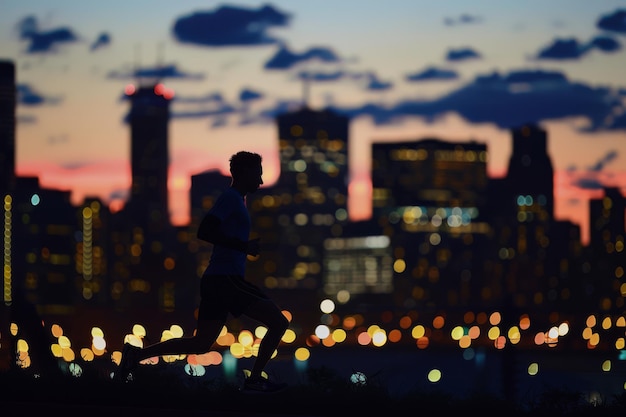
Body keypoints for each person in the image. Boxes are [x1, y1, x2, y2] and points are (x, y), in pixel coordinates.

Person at [116, 151, 290, 392]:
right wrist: (244, 246)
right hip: (225, 280)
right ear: (243, 173)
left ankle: (135, 356)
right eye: (257, 174)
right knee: (279, 322)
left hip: (218, 280)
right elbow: (205, 231)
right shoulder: (230, 198)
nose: (260, 181)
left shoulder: (238, 200)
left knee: (200, 344)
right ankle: (254, 379)